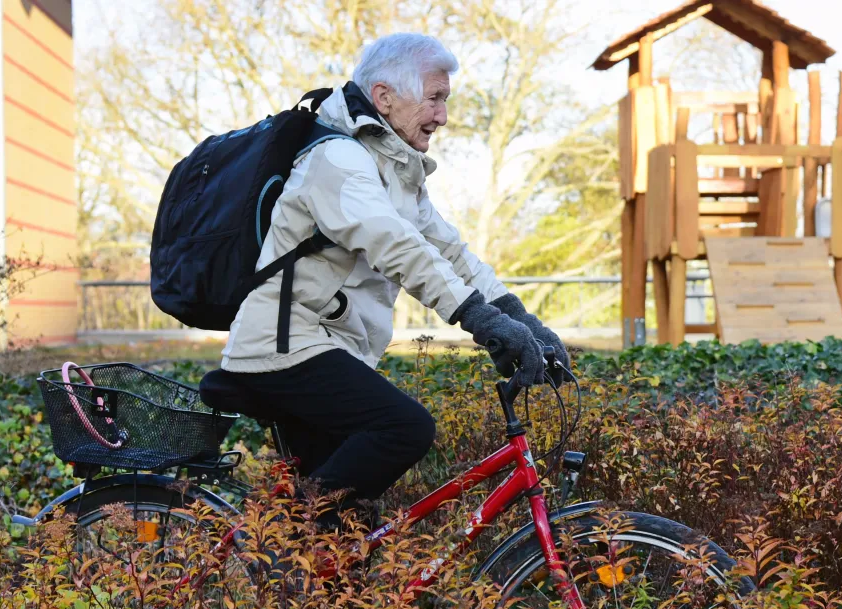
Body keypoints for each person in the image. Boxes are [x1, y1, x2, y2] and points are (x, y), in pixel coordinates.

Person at [200, 33, 569, 517]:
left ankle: (294, 562)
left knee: (347, 522)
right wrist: (477, 318)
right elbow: (395, 245)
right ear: (384, 97)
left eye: (445, 100)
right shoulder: (338, 160)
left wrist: (519, 317)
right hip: (285, 344)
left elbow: (451, 252)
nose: (442, 116)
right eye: (435, 99)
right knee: (404, 429)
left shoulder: (393, 170)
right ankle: (273, 536)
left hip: (327, 346)